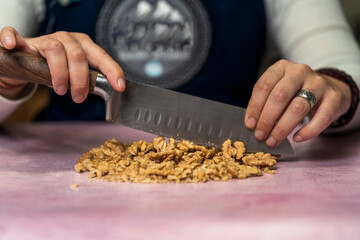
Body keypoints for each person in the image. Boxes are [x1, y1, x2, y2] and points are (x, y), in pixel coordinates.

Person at [0, 0, 359, 148]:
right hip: (66, 173)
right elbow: (5, 47)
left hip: (231, 165)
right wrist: (9, 79)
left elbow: (345, 63)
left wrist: (338, 87)